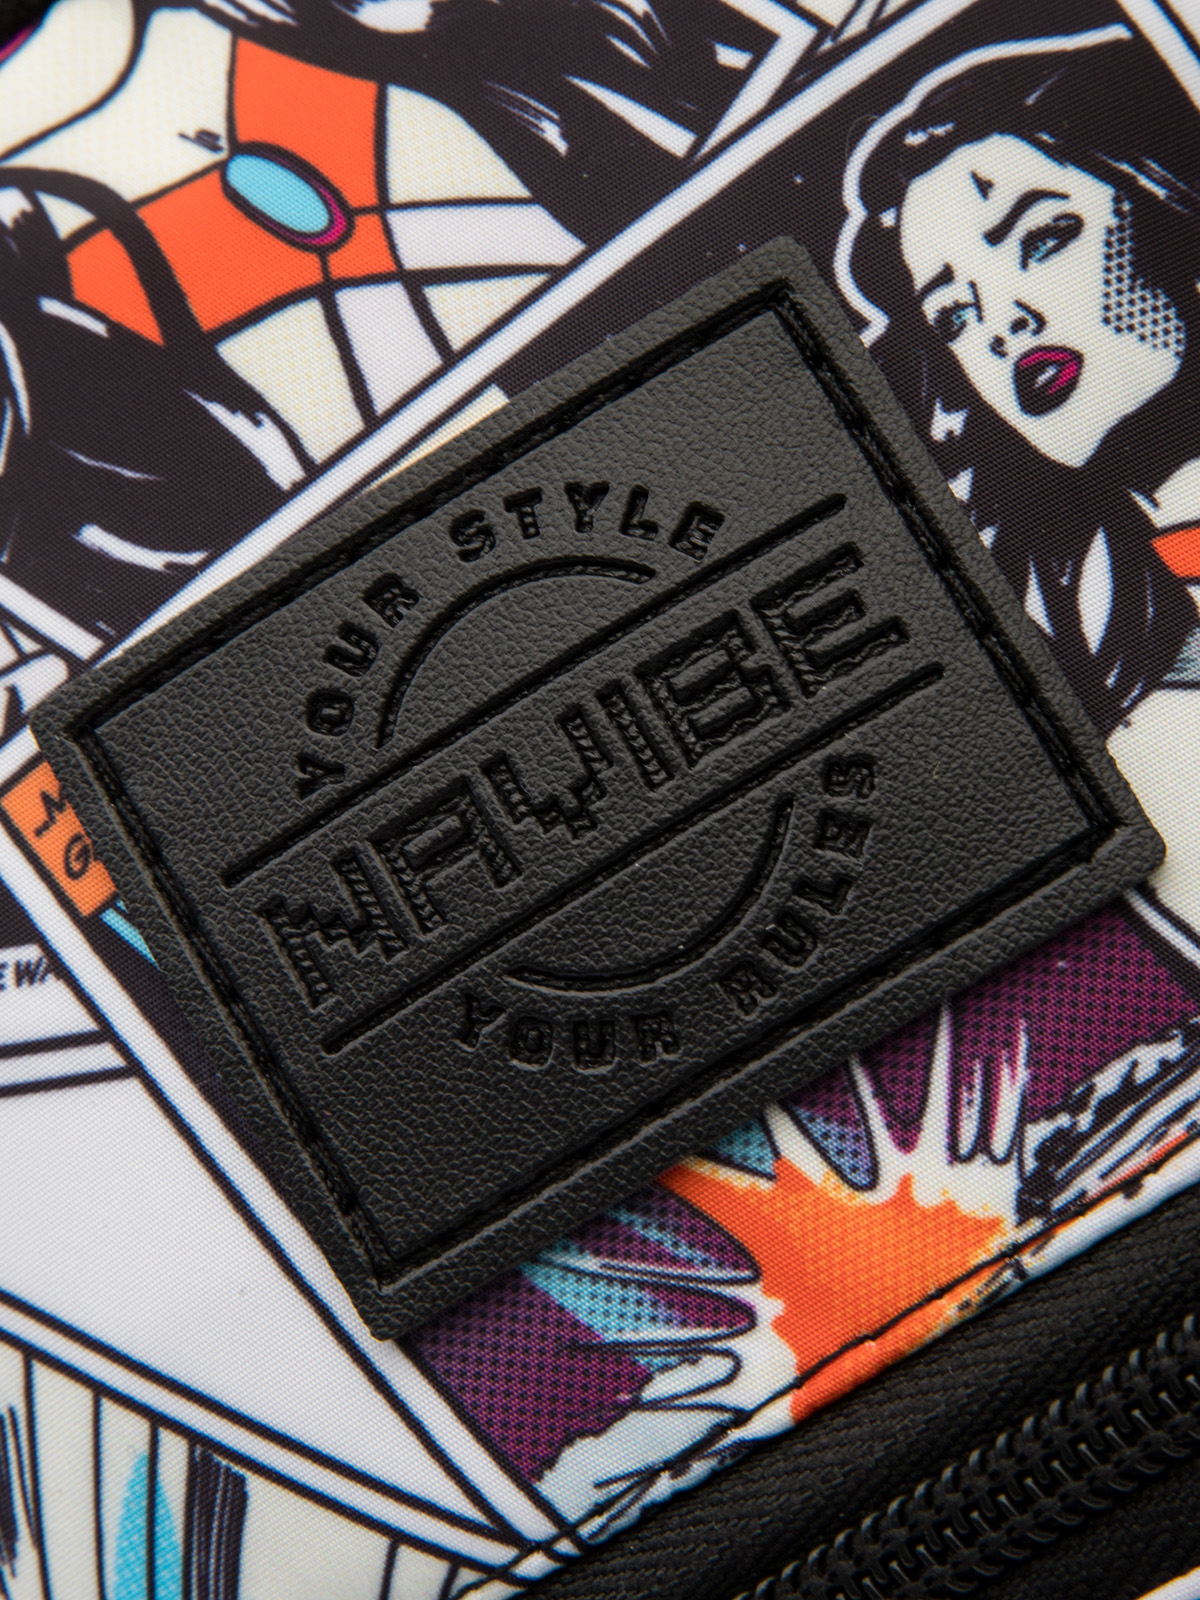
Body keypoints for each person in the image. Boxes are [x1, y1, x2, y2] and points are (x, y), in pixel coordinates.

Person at [834, 32, 1200, 738]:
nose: (1003, 327)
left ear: (1167, 203)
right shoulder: (1103, 657)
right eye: (953, 315)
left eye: (1043, 239)